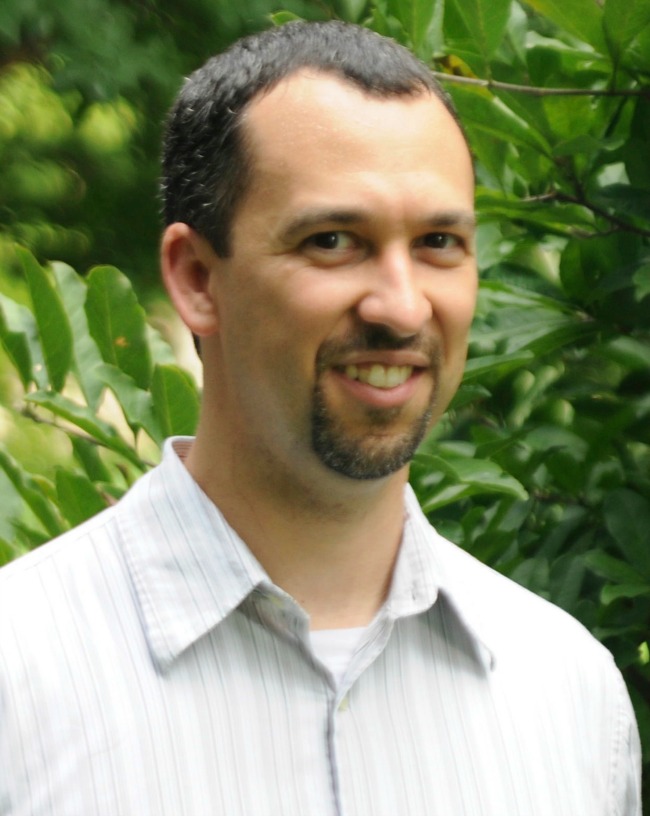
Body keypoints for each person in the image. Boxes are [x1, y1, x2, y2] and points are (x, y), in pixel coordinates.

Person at [0, 20, 641, 816]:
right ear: (198, 278)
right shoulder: (17, 677)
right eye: (334, 241)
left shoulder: (569, 697)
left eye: (439, 242)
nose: (402, 306)